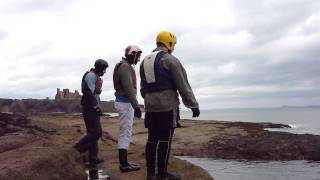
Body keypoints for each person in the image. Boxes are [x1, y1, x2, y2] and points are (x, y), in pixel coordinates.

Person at [140, 31, 200, 180]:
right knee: (166, 139)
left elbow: (142, 88)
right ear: (170, 44)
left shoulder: (144, 62)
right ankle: (162, 174)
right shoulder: (170, 60)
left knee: (152, 138)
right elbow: (183, 84)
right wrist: (193, 105)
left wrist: (150, 100)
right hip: (167, 106)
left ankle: (150, 173)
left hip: (150, 106)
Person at [74, 59, 108, 170]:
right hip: (89, 107)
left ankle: (93, 158)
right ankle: (77, 149)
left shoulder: (93, 76)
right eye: (104, 69)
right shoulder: (91, 76)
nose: (105, 72)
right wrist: (96, 106)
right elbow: (88, 92)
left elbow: (92, 92)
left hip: (90, 107)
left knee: (92, 133)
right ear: (100, 67)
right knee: (96, 133)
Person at [113, 45, 142, 172]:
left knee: (125, 132)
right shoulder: (125, 67)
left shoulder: (124, 65)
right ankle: (124, 165)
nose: (138, 59)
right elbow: (128, 87)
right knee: (125, 133)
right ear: (133, 54)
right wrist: (136, 106)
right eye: (138, 56)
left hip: (124, 102)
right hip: (125, 103)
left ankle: (125, 163)